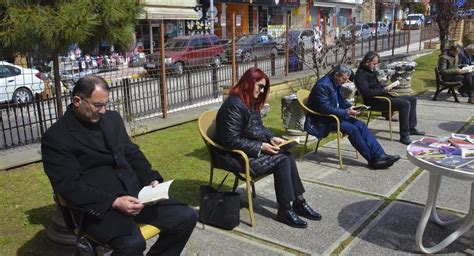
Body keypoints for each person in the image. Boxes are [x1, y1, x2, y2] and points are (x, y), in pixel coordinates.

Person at [41, 76, 197, 256]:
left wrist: (150, 179)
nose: (103, 110)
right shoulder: (57, 137)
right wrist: (113, 202)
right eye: (97, 105)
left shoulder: (112, 119)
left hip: (135, 193)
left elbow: (131, 153)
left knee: (186, 216)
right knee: (132, 244)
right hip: (100, 206)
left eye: (106, 104)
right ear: (77, 101)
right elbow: (68, 186)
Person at [215, 67, 321, 229]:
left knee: (286, 154)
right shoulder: (234, 105)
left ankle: (299, 201)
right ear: (248, 84)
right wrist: (261, 146)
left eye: (264, 87)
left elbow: (258, 128)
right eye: (260, 86)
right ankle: (285, 209)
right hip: (232, 156)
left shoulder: (249, 101)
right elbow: (230, 140)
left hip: (245, 151)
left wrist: (271, 137)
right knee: (283, 160)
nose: (262, 90)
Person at [304, 64, 401, 169]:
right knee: (353, 129)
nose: (345, 82)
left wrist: (352, 107)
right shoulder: (323, 86)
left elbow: (340, 101)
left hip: (334, 116)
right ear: (337, 74)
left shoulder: (335, 82)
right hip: (323, 120)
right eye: (344, 79)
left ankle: (380, 155)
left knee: (361, 125)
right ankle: (372, 160)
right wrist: (346, 112)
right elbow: (325, 109)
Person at [355, 51, 425, 145]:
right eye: (374, 64)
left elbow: (376, 86)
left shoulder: (371, 72)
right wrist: (383, 90)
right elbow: (367, 93)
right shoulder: (361, 75)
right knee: (405, 104)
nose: (376, 66)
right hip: (374, 102)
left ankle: (411, 128)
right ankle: (404, 136)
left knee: (412, 99)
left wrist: (388, 87)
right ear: (367, 62)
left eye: (377, 63)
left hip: (383, 97)